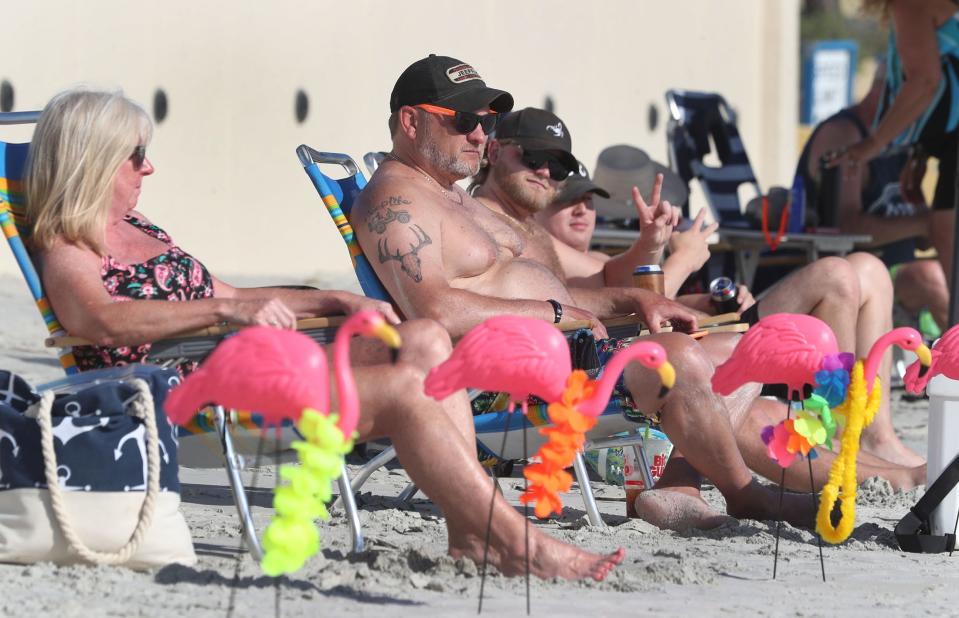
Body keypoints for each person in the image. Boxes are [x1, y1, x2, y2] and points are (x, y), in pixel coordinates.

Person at [25, 88, 622, 581]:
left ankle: (469, 527)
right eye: (135, 156)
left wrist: (333, 297)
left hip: (241, 361)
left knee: (420, 342)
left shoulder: (139, 225)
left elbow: (231, 294)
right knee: (408, 392)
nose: (147, 166)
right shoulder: (68, 238)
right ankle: (511, 540)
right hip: (183, 390)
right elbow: (95, 321)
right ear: (92, 158)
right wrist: (217, 316)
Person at [355, 55, 831, 531]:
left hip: (562, 351)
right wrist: (554, 311)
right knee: (679, 361)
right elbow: (434, 308)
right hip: (502, 384)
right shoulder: (395, 201)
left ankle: (677, 486)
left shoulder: (449, 194)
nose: (480, 135)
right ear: (410, 121)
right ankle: (746, 497)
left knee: (741, 351)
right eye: (463, 121)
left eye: (487, 121)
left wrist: (633, 299)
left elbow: (547, 293)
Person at [537, 158, 926, 489]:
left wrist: (704, 299)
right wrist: (685, 259)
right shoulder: (546, 258)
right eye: (567, 201)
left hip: (708, 335)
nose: (582, 211)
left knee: (869, 269)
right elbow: (633, 308)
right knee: (835, 276)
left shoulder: (590, 261)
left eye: (589, 201)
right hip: (684, 363)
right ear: (539, 207)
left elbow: (636, 302)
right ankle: (879, 460)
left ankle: (879, 441)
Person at [799, 59, 948, 330]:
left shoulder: (903, 139)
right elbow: (845, 225)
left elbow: (924, 235)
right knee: (930, 276)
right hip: (857, 273)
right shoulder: (845, 136)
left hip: (901, 271)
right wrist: (926, 223)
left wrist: (936, 223)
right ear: (891, 92)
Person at [832, 0, 959, 295]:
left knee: (945, 233)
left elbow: (925, 81)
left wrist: (873, 143)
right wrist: (921, 153)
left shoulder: (911, 3)